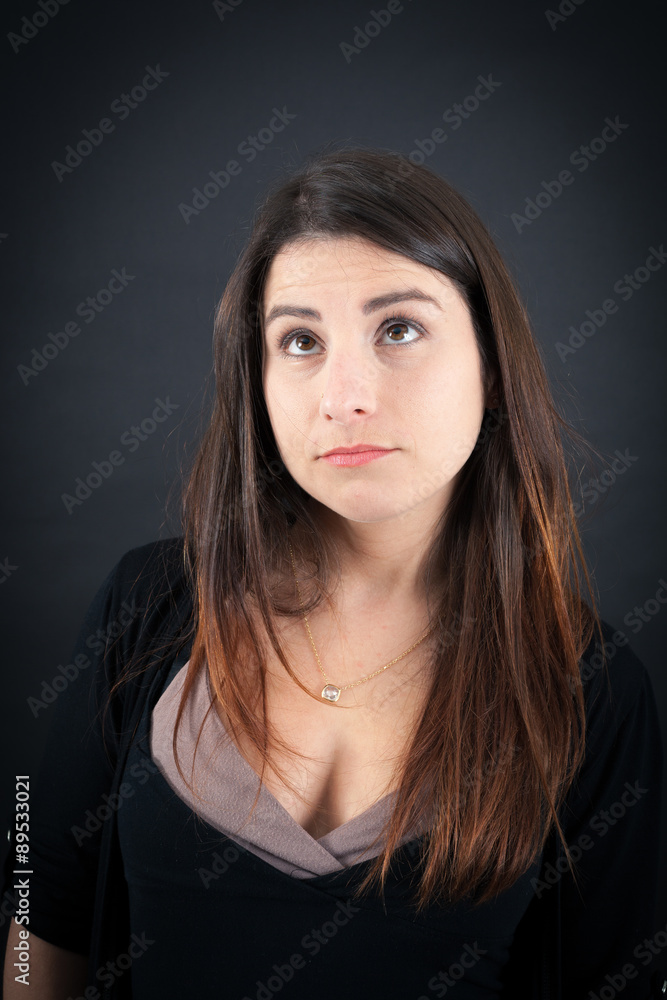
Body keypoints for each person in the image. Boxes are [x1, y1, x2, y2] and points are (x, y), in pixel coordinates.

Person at [1, 145, 664, 1000]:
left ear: (493, 368)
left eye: (399, 329)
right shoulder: (146, 607)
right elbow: (37, 920)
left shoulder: (592, 690)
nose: (343, 396)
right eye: (301, 340)